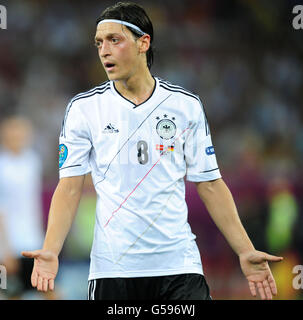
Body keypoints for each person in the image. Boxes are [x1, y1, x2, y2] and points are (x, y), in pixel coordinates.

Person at [22, 2, 283, 300]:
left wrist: (245, 250)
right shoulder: (84, 109)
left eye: (114, 40)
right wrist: (52, 249)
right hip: (114, 271)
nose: (103, 50)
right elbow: (70, 188)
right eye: (99, 43)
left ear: (143, 42)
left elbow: (210, 183)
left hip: (179, 268)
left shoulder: (185, 106)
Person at [0, 116, 45, 298]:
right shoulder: (2, 166)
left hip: (34, 242)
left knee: (48, 288)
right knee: (9, 293)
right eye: (13, 131)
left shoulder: (33, 161)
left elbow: (34, 205)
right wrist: (5, 250)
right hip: (9, 245)